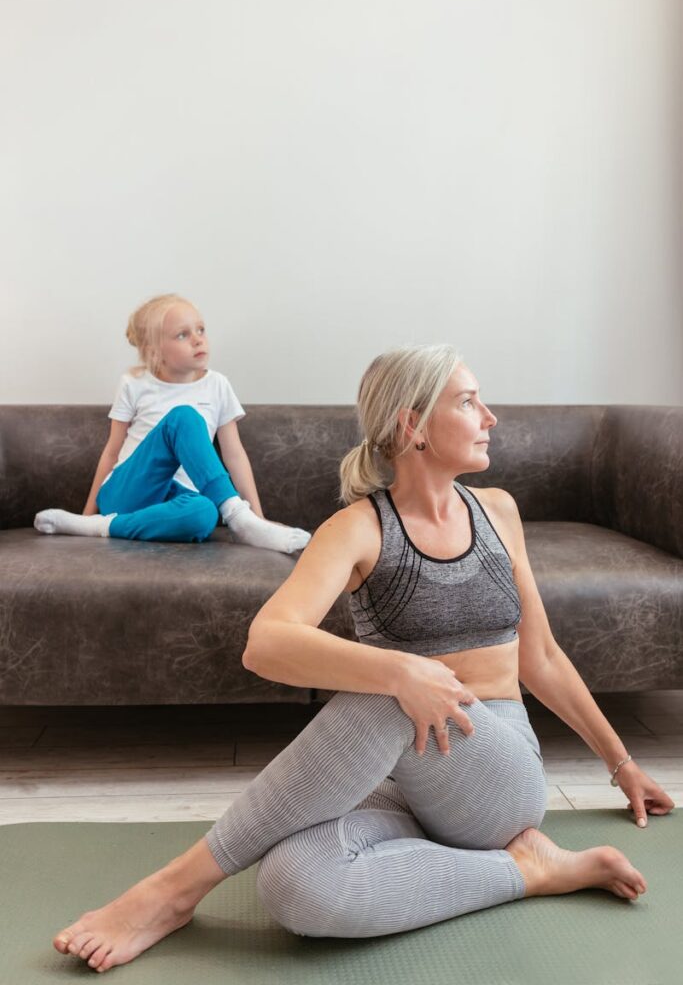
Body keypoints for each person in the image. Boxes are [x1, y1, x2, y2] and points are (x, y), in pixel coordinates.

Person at [52, 344, 674, 973]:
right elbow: (265, 643)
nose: (490, 416)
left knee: (396, 693)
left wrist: (620, 762)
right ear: (413, 426)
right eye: (467, 401)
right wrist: (400, 669)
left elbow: (540, 657)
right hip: (405, 782)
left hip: (497, 776)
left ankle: (171, 891)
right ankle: (527, 868)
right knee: (292, 886)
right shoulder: (357, 529)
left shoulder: (498, 512)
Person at [33, 294, 311, 552]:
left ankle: (101, 528)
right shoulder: (135, 384)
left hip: (172, 502)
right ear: (154, 350)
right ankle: (92, 521)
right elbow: (112, 451)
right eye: (182, 334)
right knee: (184, 416)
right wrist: (88, 510)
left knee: (204, 513)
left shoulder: (217, 385)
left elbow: (234, 455)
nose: (198, 340)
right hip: (127, 493)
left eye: (201, 330)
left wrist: (259, 518)